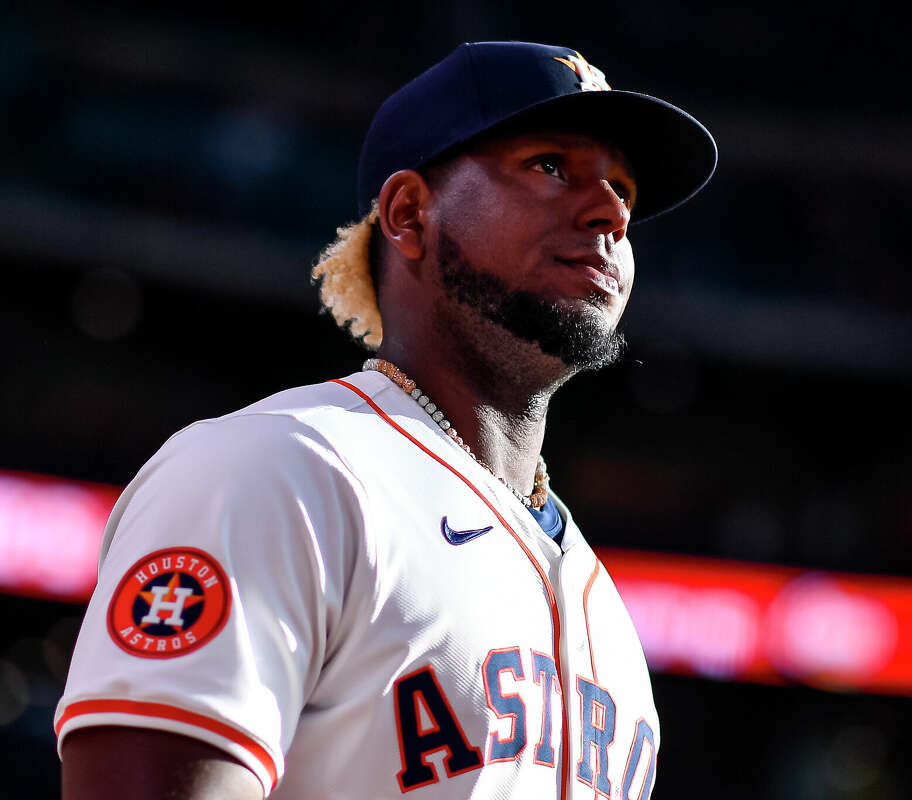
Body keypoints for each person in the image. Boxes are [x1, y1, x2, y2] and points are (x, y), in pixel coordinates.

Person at [55, 40, 716, 799]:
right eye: (549, 166)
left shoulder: (608, 614)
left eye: (624, 189)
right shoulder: (281, 470)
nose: (610, 212)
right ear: (408, 215)